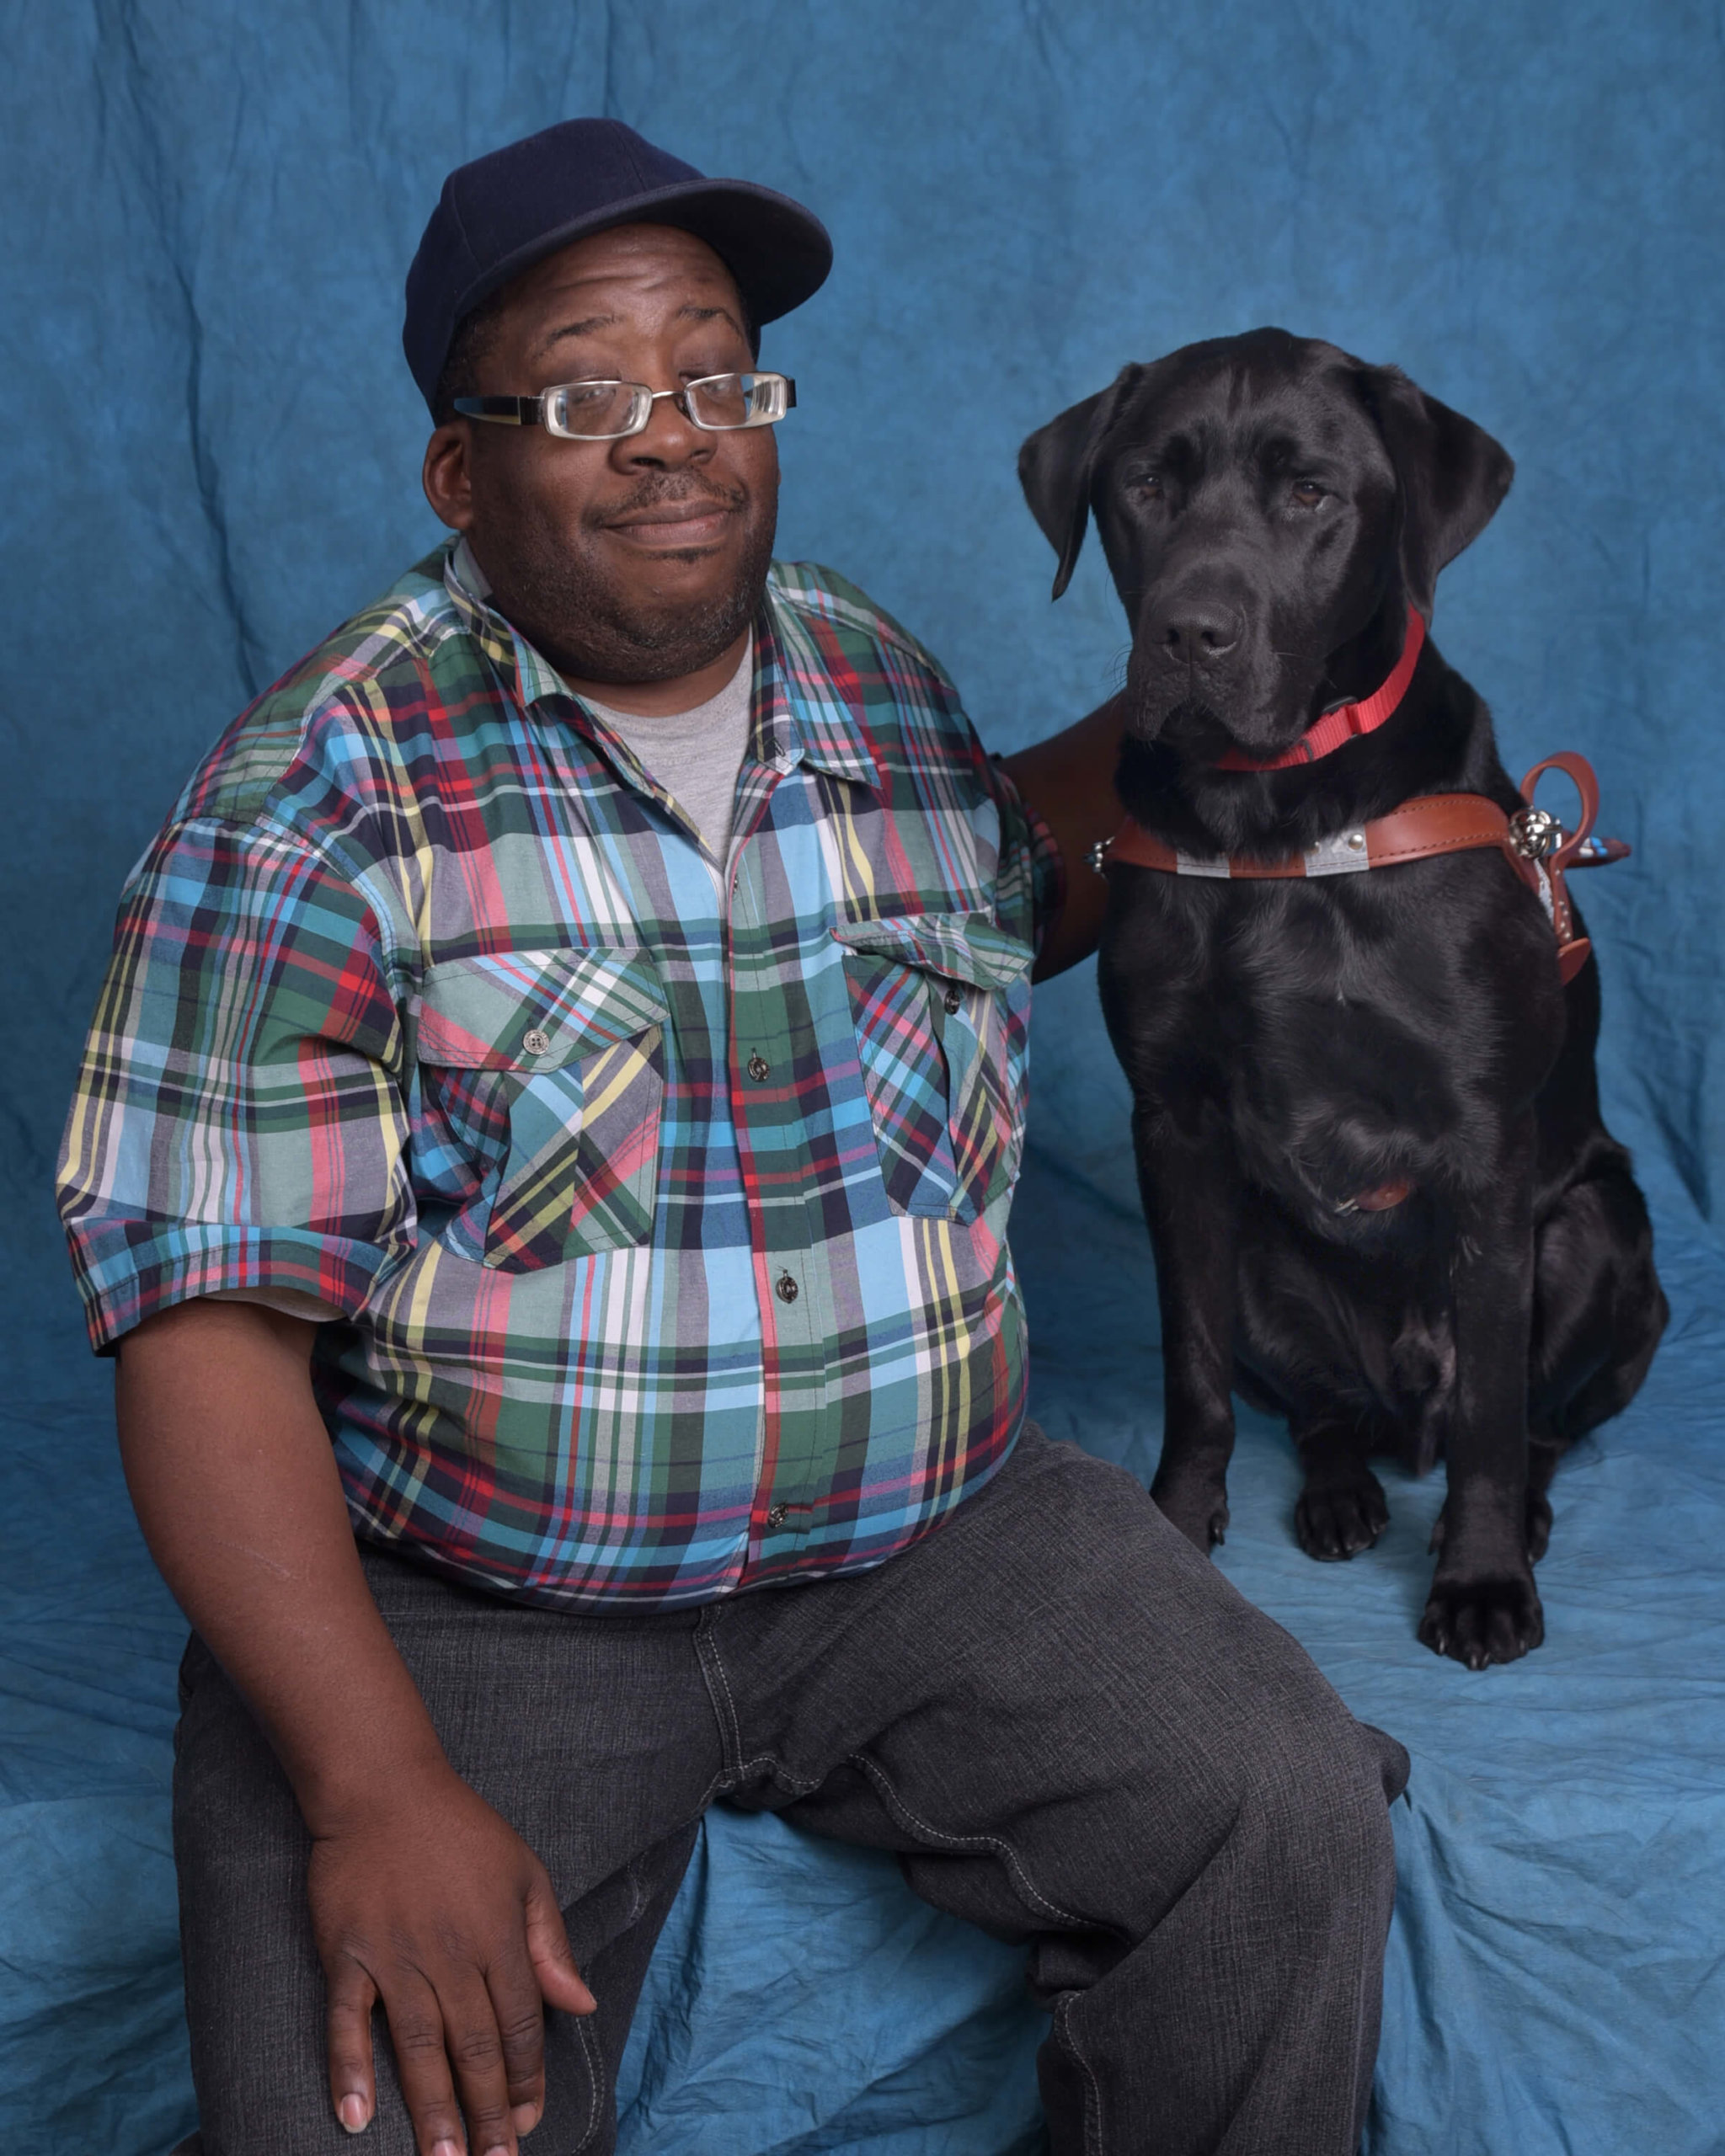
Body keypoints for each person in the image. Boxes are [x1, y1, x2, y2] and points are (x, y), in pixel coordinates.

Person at [56, 118, 1407, 2156]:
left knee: (1282, 1811)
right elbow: (203, 1333)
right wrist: (371, 1785)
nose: (672, 436)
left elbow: (1021, 877)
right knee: (372, 2110)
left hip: (930, 1539)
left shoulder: (867, 677)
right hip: (482, 1590)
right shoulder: (309, 803)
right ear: (461, 469)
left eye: (714, 375)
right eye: (592, 392)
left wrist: (1281, 719)